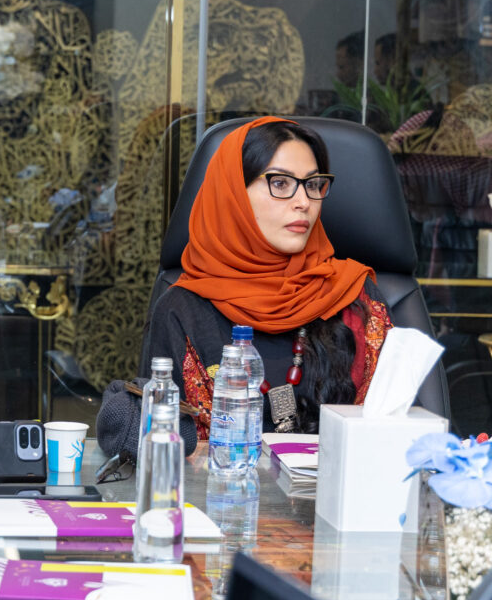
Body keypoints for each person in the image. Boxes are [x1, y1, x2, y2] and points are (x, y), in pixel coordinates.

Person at [97, 117, 393, 457]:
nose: (304, 202)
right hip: (219, 488)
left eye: (313, 185)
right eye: (280, 183)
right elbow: (164, 443)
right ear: (234, 194)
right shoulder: (181, 310)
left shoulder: (354, 296)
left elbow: (391, 431)